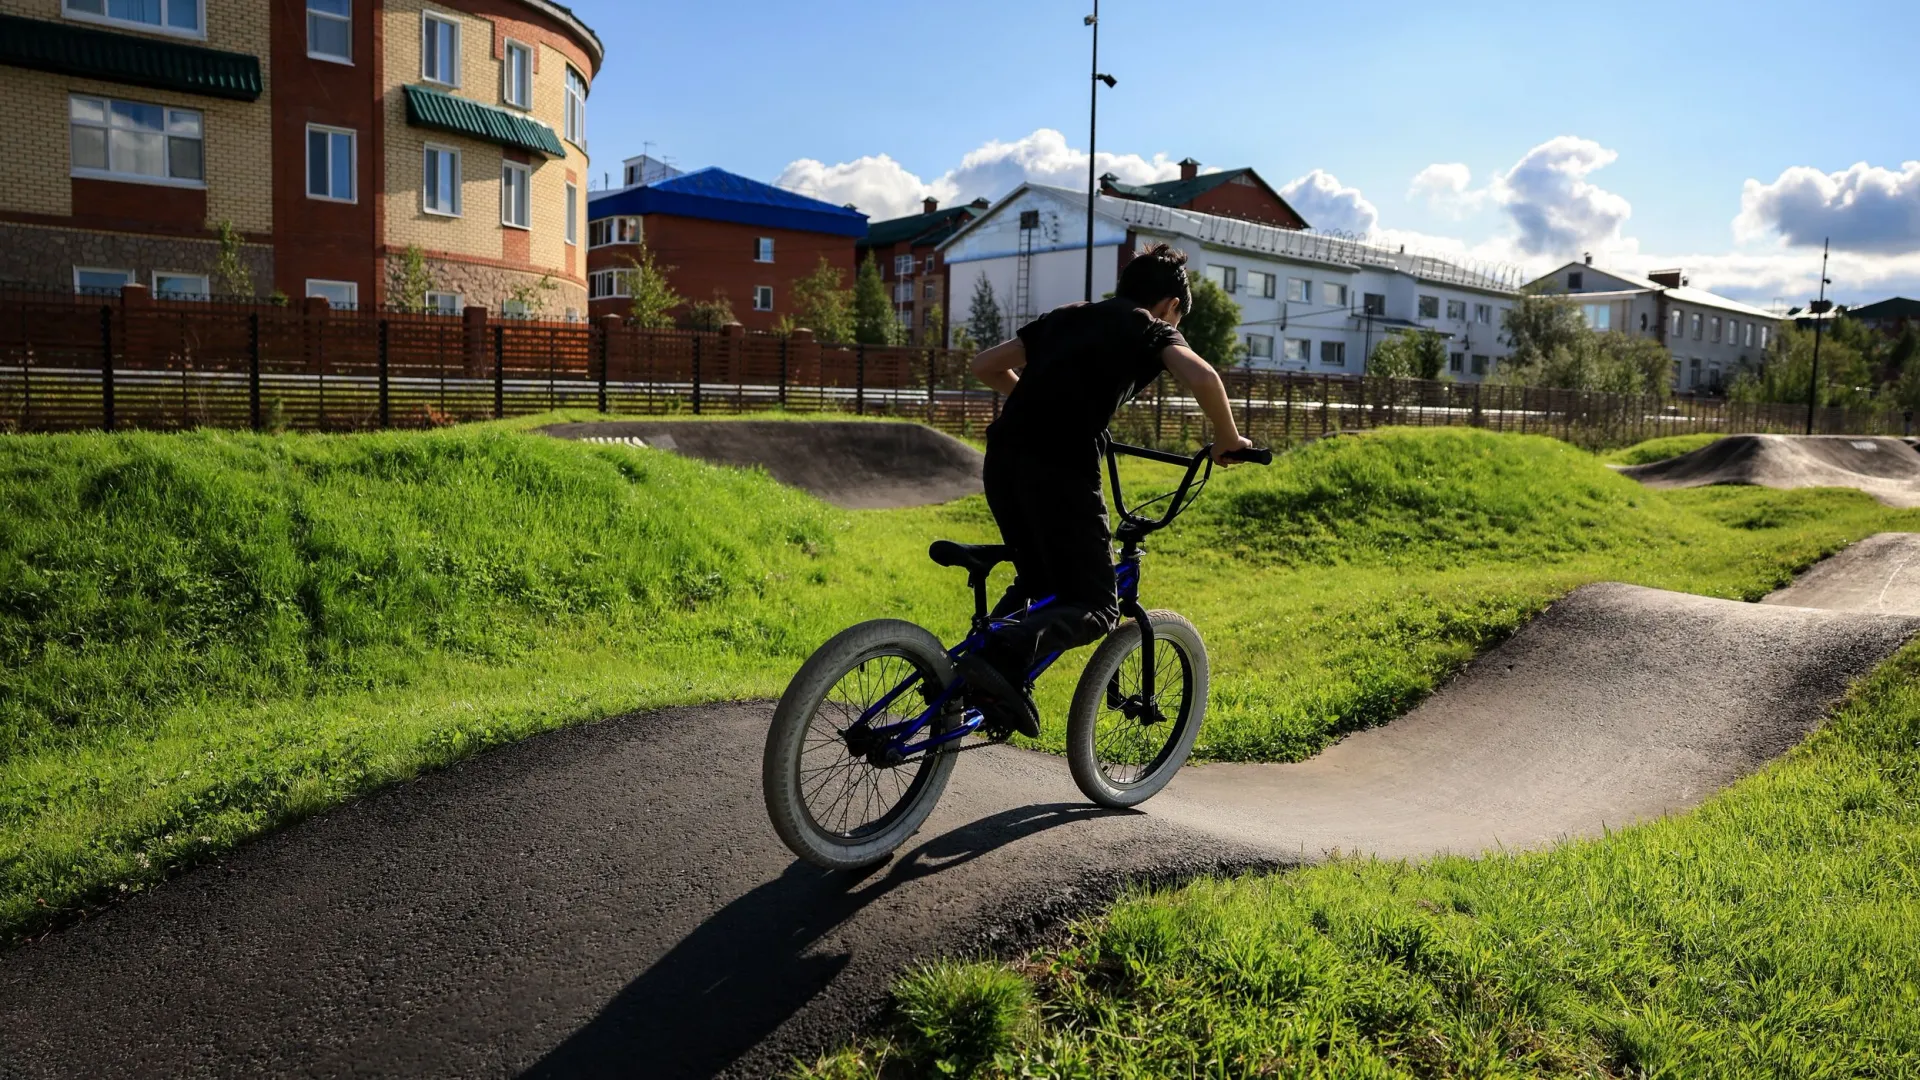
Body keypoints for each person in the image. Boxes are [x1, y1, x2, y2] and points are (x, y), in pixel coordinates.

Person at [959, 243, 1253, 737]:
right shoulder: (1148, 327)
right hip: (1060, 464)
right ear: (1170, 307)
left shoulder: (1069, 315)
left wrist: (1041, 397)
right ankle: (1002, 652)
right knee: (1098, 607)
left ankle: (978, 673)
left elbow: (984, 366)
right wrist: (1228, 439)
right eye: (1178, 319)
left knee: (1039, 580)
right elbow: (1203, 376)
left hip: (1004, 459)